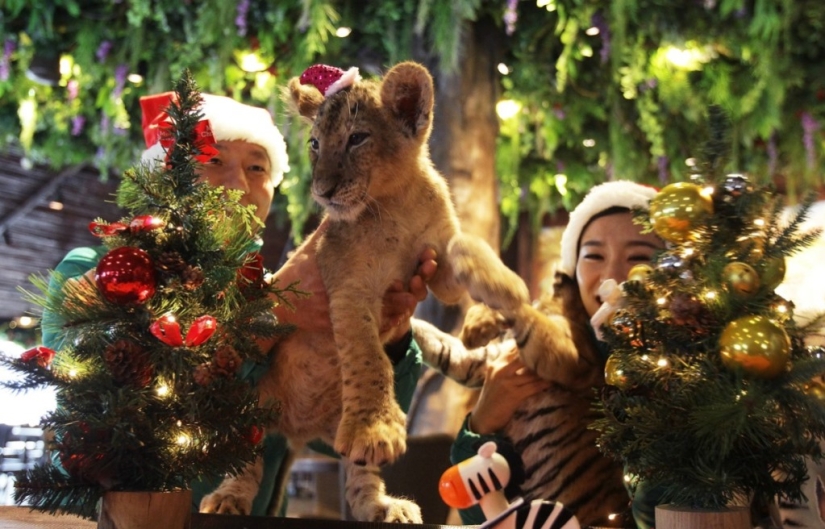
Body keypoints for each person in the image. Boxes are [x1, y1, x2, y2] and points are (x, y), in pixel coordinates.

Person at [41, 92, 437, 516]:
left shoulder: (286, 289)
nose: (238, 184)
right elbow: (119, 405)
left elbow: (328, 436)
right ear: (168, 178)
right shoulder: (102, 275)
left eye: (256, 167)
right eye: (213, 161)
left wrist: (387, 333)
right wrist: (277, 311)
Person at [449, 181, 664, 528]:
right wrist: (483, 420)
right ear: (572, 268)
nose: (611, 275)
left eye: (638, 257)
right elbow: (477, 511)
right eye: (593, 256)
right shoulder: (539, 345)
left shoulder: (688, 365)